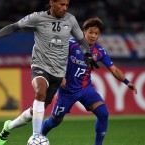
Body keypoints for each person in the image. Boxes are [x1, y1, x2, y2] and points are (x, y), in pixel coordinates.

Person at [0, 0, 98, 145]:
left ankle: (8, 127)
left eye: (67, 5)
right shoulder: (37, 18)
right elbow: (14, 27)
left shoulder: (70, 20)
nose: (65, 8)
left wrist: (87, 54)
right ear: (52, 3)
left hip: (59, 72)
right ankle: (36, 136)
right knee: (40, 93)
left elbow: (81, 40)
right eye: (61, 4)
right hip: (40, 65)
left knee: (33, 112)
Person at [41, 17, 137, 145]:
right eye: (90, 32)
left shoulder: (99, 51)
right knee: (55, 121)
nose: (93, 36)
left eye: (96, 33)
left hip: (85, 89)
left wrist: (127, 82)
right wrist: (59, 75)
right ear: (83, 32)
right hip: (66, 91)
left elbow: (113, 69)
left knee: (103, 113)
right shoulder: (71, 43)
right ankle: (38, 136)